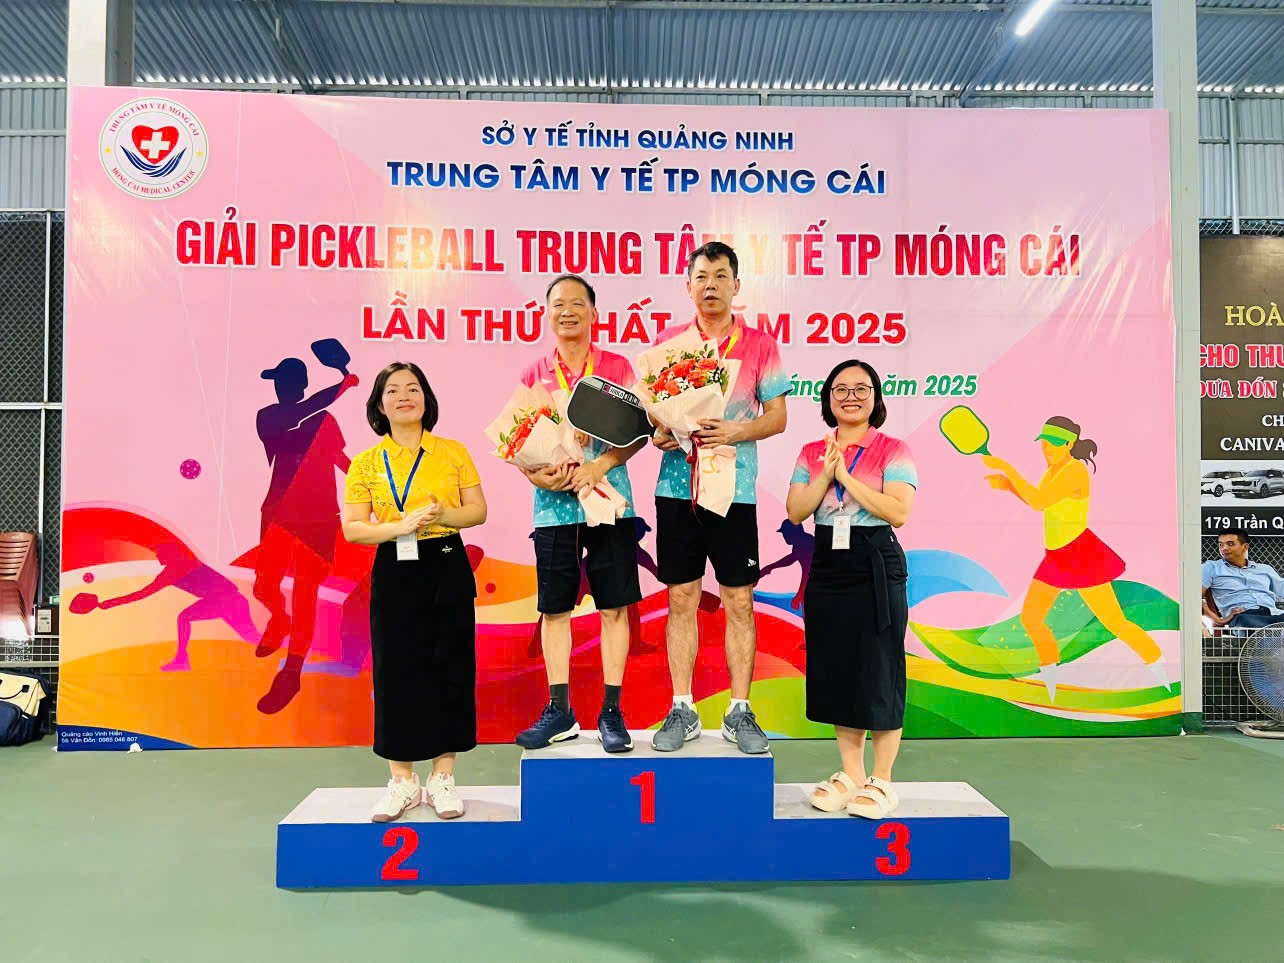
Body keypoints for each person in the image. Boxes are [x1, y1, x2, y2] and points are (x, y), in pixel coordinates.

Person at [649, 242, 790, 754]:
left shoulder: (760, 345)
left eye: (721, 276)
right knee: (681, 597)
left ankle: (739, 711)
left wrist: (736, 430)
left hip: (734, 489)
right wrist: (661, 431)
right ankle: (682, 707)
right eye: (701, 276)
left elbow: (778, 417)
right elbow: (653, 411)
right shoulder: (669, 343)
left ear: (736, 285)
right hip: (676, 488)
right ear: (687, 286)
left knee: (739, 599)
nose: (711, 285)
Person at [341, 362, 487, 823]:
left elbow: (477, 511)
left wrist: (445, 514)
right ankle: (402, 781)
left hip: (446, 561)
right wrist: (398, 526)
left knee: (450, 667)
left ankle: (443, 777)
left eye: (413, 388)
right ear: (379, 405)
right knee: (396, 671)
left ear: (426, 399)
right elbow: (353, 528)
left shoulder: (453, 452)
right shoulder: (366, 462)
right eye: (393, 390)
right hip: (395, 567)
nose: (404, 396)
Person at [513, 274, 647, 753]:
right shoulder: (534, 374)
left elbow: (640, 431)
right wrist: (535, 475)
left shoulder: (616, 367)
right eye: (557, 304)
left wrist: (599, 466)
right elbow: (516, 440)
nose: (567, 311)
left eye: (576, 304)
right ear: (547, 314)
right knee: (555, 610)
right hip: (554, 509)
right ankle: (559, 711)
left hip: (609, 502)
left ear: (594, 313)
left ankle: (611, 711)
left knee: (613, 608)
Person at [785, 360, 916, 818]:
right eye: (840, 389)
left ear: (876, 397)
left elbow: (898, 511)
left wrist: (845, 478)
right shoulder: (811, 452)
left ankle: (883, 779)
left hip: (875, 560)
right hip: (828, 562)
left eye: (861, 389)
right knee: (837, 667)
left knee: (879, 667)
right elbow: (797, 511)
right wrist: (825, 473)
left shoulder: (893, 450)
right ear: (828, 399)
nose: (850, 397)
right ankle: (852, 773)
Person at [982, 416, 1170, 698]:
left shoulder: (1075, 471)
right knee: (1031, 618)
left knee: (1114, 621)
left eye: (1054, 443)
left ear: (1070, 444)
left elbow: (1039, 501)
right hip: (1056, 556)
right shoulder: (1052, 471)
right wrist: (1009, 485)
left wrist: (1008, 469)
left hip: (1081, 555)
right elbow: (1041, 500)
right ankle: (1050, 680)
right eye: (1045, 442)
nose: (1047, 447)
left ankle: (1160, 667)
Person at [253, 356, 357, 714]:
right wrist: (342, 385)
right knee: (263, 586)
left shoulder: (325, 420)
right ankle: (278, 619)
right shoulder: (268, 417)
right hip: (278, 513)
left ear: (299, 384)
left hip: (319, 518)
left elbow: (340, 458)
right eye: (277, 381)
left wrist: (369, 486)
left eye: (285, 381)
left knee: (305, 594)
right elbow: (299, 414)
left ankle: (292, 672)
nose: (279, 387)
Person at [89, 541, 262, 672]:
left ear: (169, 553)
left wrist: (110, 603)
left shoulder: (173, 571)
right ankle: (182, 659)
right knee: (252, 637)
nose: (157, 556)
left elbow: (142, 594)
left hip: (224, 601)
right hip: (234, 600)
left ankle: (182, 660)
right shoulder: (186, 562)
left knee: (184, 618)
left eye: (160, 552)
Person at [1202, 528, 1284, 630]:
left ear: (1245, 547)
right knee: (1249, 624)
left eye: (1230, 544)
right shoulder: (1211, 568)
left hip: (1274, 613)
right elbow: (1194, 596)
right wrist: (1218, 620)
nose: (1224, 548)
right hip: (1245, 616)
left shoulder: (1265, 569)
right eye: (1220, 544)